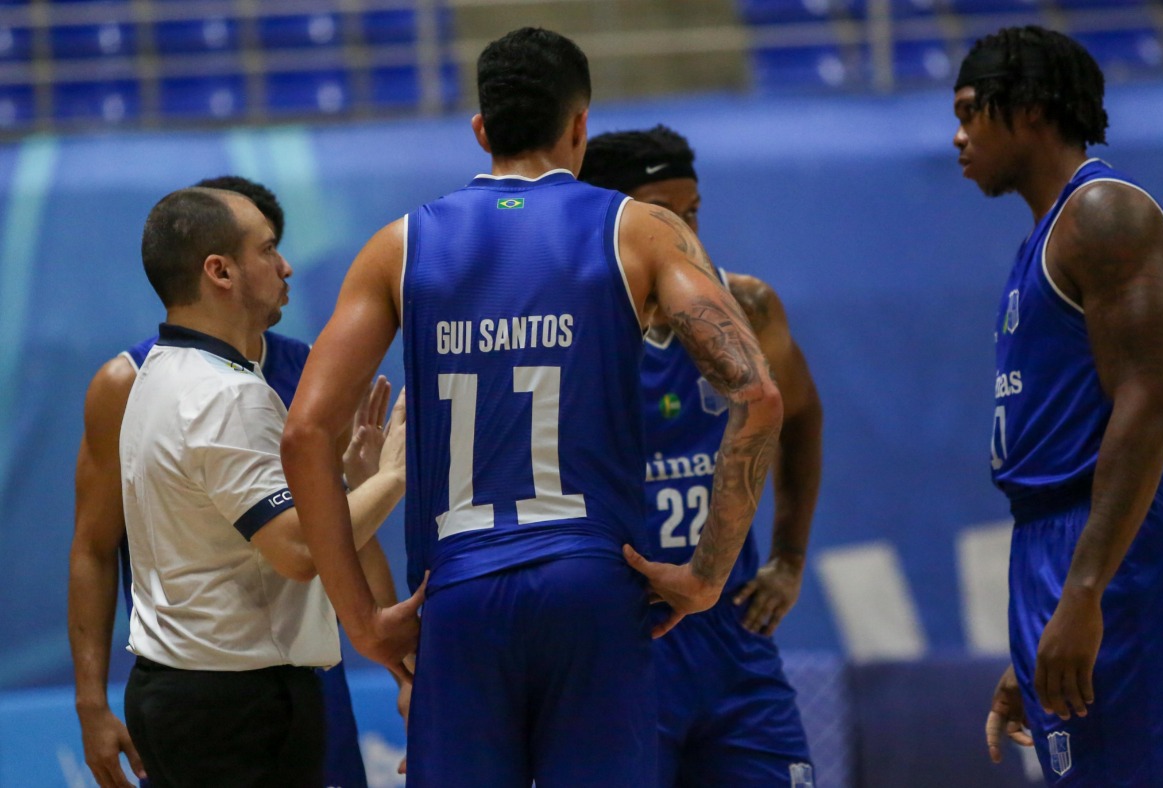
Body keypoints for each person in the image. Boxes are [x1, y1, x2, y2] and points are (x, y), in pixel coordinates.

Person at [280, 26, 783, 788]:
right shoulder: (638, 231)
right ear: (580, 125)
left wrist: (361, 619)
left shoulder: (399, 246)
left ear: (481, 130)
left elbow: (306, 432)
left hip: (459, 593)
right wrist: (707, 574)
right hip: (592, 586)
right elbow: (759, 396)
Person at [68, 176, 400, 788]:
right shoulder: (225, 394)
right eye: (269, 249)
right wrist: (395, 475)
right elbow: (302, 550)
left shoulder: (163, 371)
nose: (287, 265)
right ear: (220, 271)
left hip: (187, 686)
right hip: (237, 700)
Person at [953, 26, 1163, 786]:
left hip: (1107, 548)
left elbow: (1148, 407)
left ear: (1028, 111)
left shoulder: (1103, 214)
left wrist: (1085, 594)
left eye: (971, 111)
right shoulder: (1047, 234)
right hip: (1054, 545)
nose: (957, 137)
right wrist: (1042, 628)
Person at [578, 125, 821, 787]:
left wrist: (789, 559)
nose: (685, 232)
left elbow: (799, 413)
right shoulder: (570, 328)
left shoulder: (744, 305)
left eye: (692, 212)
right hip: (619, 641)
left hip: (729, 635)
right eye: (664, 216)